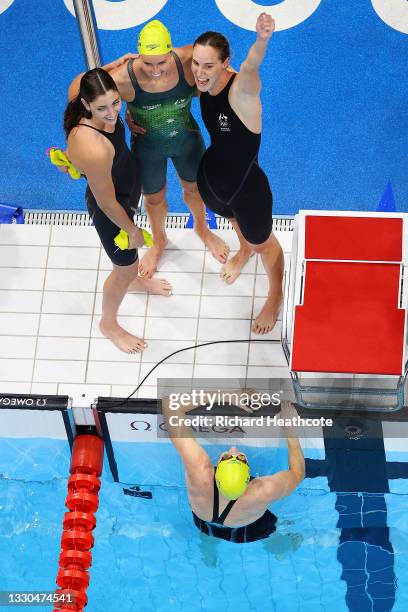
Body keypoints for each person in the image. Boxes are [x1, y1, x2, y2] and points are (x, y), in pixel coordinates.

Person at [104, 20, 230, 278]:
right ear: (137, 55)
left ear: (171, 52)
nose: (155, 70)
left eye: (161, 62)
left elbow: (227, 75)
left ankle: (202, 229)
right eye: (147, 63)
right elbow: (81, 95)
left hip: (187, 141)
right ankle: (159, 241)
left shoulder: (187, 61)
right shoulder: (121, 79)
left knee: (195, 189)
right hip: (147, 149)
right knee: (154, 199)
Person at [64, 68, 172, 353]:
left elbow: (87, 76)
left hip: (124, 191)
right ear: (85, 105)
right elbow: (106, 203)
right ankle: (109, 324)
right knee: (124, 266)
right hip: (111, 211)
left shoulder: (83, 90)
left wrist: (122, 61)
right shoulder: (93, 146)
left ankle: (134, 281)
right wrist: (133, 231)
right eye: (102, 108)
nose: (111, 112)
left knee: (130, 266)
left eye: (115, 102)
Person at [192, 13, 284, 334]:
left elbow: (250, 67)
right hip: (213, 180)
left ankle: (275, 296)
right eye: (196, 64)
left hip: (248, 190)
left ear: (225, 63)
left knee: (266, 245)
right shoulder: (202, 84)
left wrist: (261, 40)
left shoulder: (241, 90)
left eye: (208, 66)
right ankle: (244, 250)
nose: (200, 73)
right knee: (235, 224)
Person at [162, 397, 305, 543]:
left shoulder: (200, 473)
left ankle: (209, 551)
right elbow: (298, 473)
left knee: (208, 538)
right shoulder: (263, 490)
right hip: (248, 529)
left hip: (204, 523)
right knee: (274, 540)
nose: (233, 448)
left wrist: (226, 395)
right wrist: (291, 431)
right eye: (239, 457)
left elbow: (170, 405)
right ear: (249, 478)